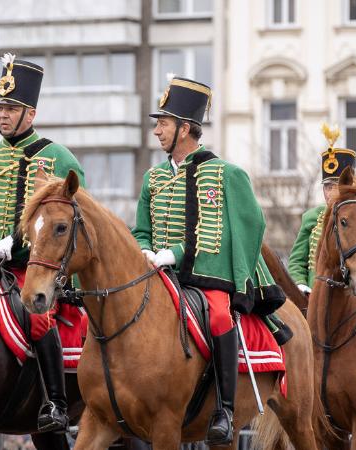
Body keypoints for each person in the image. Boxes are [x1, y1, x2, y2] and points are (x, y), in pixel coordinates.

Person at [132, 76, 283, 445]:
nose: (156, 131)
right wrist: (145, 251)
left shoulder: (224, 174)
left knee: (218, 314)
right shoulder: (153, 178)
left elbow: (222, 232)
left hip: (204, 277)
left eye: (163, 124)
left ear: (185, 128)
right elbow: (141, 229)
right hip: (157, 275)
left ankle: (225, 409)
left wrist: (175, 255)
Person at [0, 52, 86, 432]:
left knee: (39, 319)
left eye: (12, 108)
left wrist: (19, 242)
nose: (3, 115)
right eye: (0, 108)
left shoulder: (58, 158)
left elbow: (69, 221)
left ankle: (56, 403)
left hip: (35, 267)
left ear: (31, 114)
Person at [288, 124, 356, 293]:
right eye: (327, 187)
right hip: (313, 298)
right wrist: (301, 284)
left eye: (336, 186)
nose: (331, 193)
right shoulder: (311, 217)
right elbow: (297, 261)